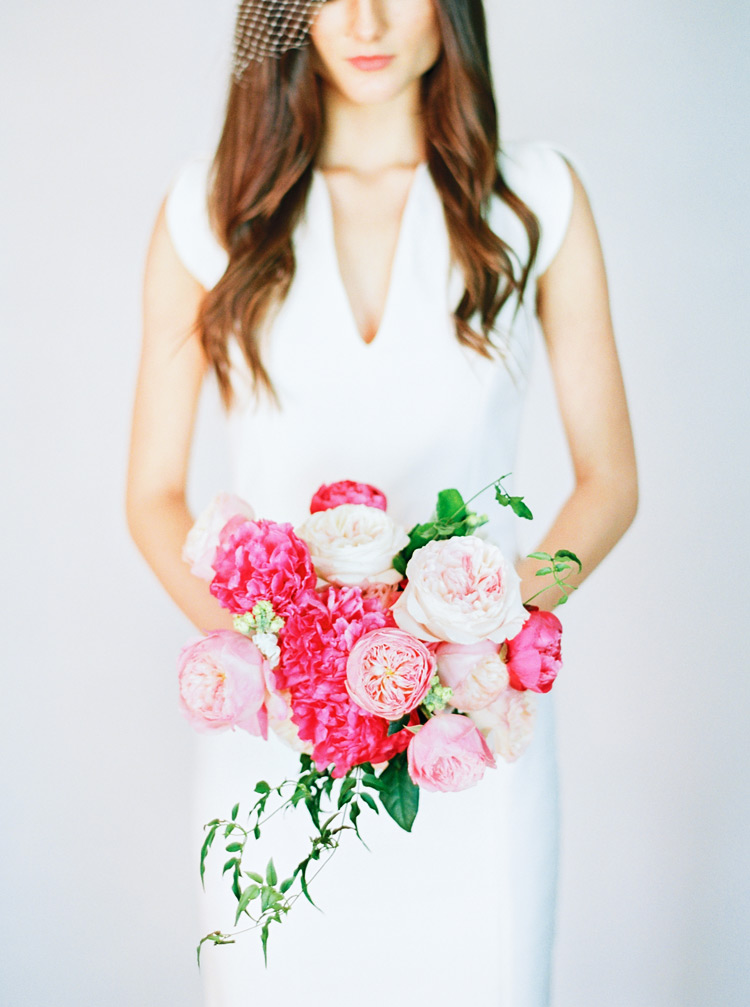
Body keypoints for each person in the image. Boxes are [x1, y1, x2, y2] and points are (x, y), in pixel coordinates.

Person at [126, 1, 638, 1004]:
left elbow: (610, 479)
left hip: (473, 753)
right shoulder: (209, 211)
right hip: (283, 760)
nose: (364, 18)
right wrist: (279, 672)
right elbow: (151, 493)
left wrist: (481, 638)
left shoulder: (535, 199)